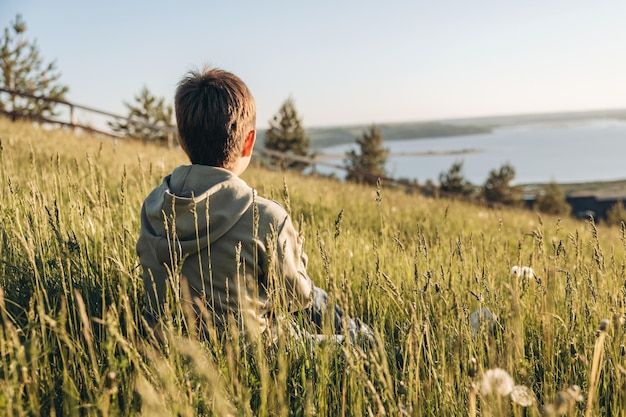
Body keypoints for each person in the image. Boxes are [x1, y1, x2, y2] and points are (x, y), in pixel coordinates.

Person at [136, 67, 372, 343]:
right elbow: (297, 298)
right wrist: (297, 255)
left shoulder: (153, 205)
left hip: (170, 346)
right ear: (249, 142)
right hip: (256, 355)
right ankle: (375, 341)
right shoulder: (266, 217)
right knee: (361, 344)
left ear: (181, 140)